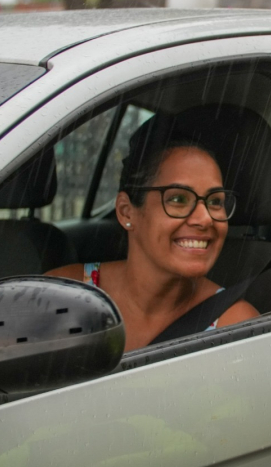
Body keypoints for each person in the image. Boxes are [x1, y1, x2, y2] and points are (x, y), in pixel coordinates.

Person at [48, 109, 259, 351]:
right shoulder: (62, 294)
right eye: (179, 199)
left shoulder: (237, 326)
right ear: (127, 212)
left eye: (215, 201)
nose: (205, 219)